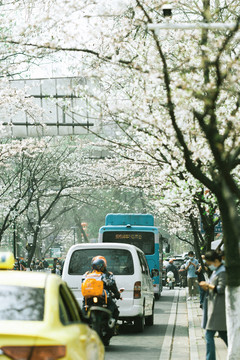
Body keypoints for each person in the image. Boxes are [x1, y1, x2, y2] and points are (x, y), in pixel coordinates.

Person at [199, 250, 227, 360]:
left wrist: (208, 285)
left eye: (209, 263)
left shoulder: (222, 271)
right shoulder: (217, 271)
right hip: (213, 307)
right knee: (224, 334)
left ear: (216, 261)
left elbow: (221, 289)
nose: (209, 266)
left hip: (218, 308)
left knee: (209, 334)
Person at [82, 256, 121, 321]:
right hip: (102, 297)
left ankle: (83, 324)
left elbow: (82, 283)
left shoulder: (86, 275)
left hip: (88, 297)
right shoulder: (105, 275)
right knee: (115, 310)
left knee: (84, 308)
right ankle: (111, 325)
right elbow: (111, 285)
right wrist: (117, 295)